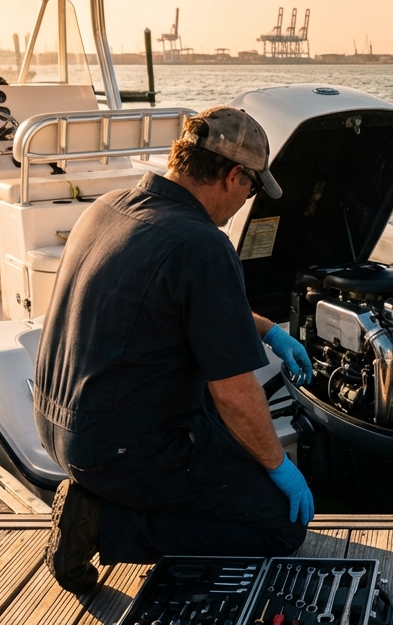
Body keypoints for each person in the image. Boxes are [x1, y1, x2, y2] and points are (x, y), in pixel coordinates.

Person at [35, 106, 316, 595]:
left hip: (57, 428)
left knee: (225, 447)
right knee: (278, 525)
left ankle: (109, 500)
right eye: (250, 188)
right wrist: (278, 465)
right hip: (118, 450)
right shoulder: (202, 244)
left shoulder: (109, 207)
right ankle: (101, 523)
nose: (246, 200)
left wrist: (268, 330)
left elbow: (178, 308)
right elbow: (232, 392)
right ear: (233, 176)